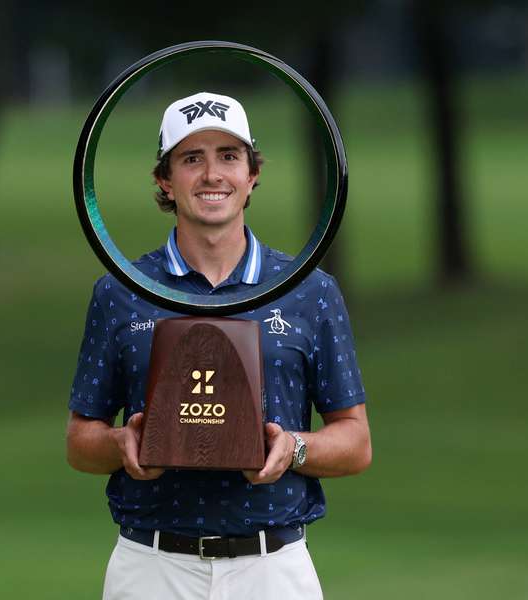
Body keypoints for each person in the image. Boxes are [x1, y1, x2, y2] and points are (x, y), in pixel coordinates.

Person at [67, 91, 371, 600]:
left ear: (252, 175)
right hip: (151, 566)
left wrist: (292, 448)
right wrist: (121, 445)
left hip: (273, 569)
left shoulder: (310, 291)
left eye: (229, 157)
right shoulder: (120, 291)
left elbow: (355, 442)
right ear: (165, 180)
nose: (212, 175)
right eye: (192, 159)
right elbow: (80, 442)